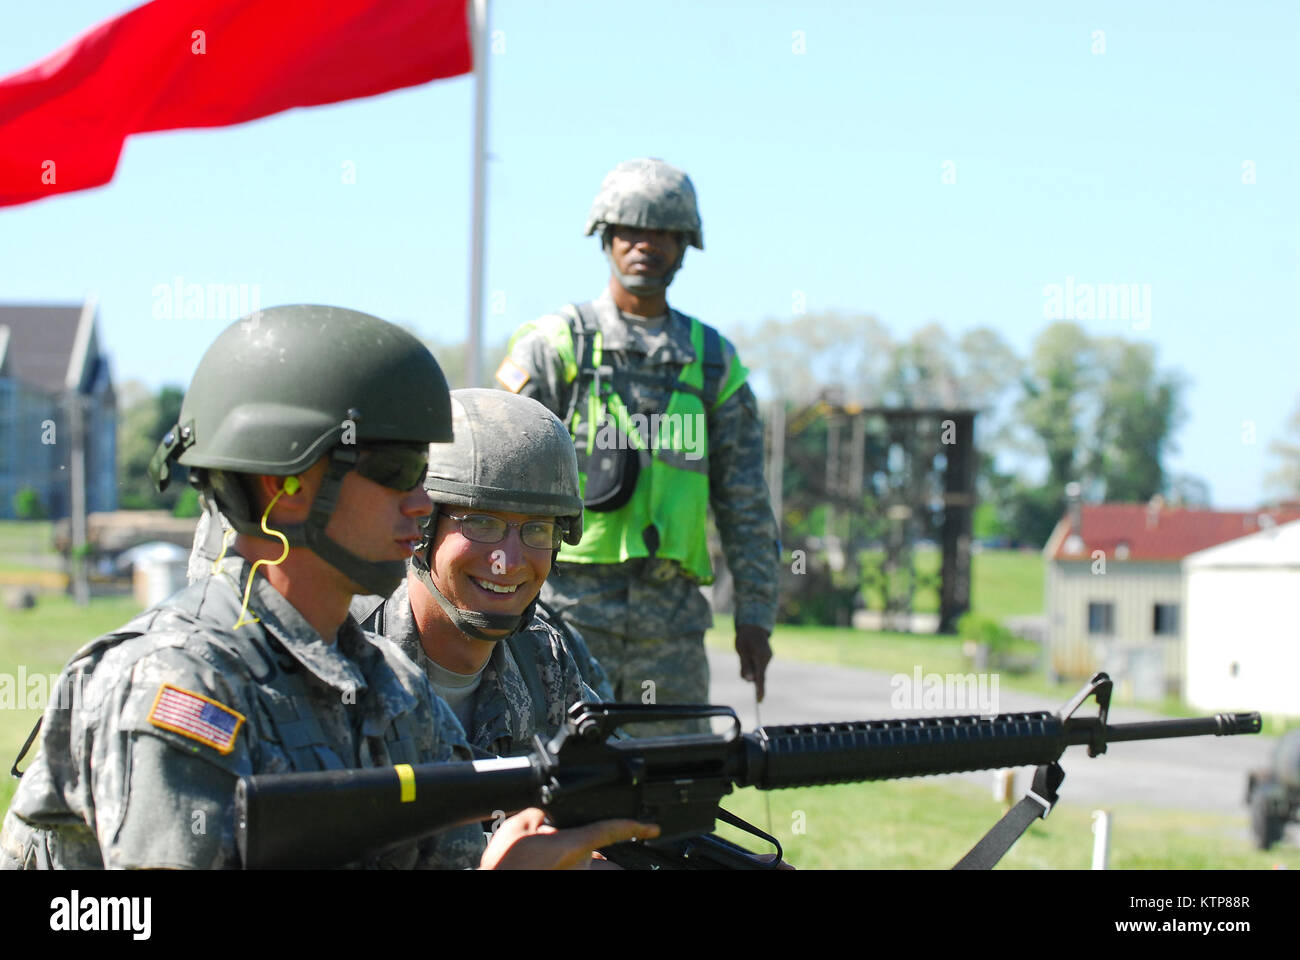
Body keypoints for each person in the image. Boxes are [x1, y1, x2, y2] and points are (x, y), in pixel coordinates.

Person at [0, 305, 656, 869]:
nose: (422, 500)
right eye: (396, 469)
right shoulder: (173, 686)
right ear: (284, 487)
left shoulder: (385, 686)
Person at [496, 158, 780, 735]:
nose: (645, 245)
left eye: (664, 232)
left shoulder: (714, 363)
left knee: (670, 796)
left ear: (686, 244)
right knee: (553, 787)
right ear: (605, 235)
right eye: (630, 230)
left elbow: (745, 503)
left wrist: (755, 615)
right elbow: (494, 475)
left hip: (671, 633)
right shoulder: (555, 347)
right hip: (560, 621)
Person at [352, 388, 615, 758]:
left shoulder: (542, 658)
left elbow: (609, 775)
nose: (507, 561)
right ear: (423, 527)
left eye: (537, 529)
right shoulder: (349, 652)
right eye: (482, 523)